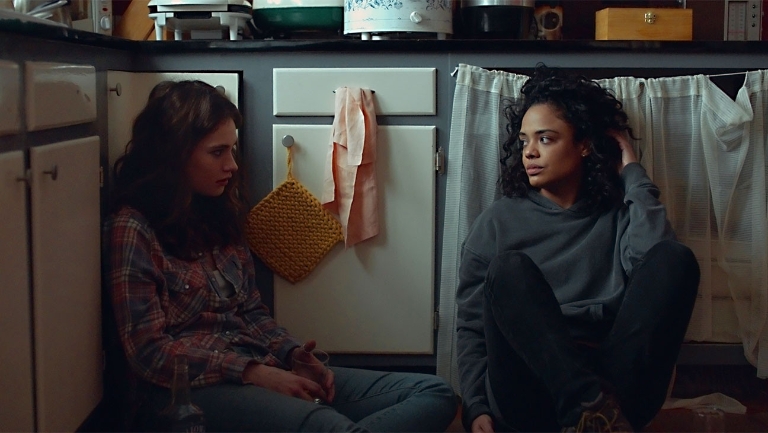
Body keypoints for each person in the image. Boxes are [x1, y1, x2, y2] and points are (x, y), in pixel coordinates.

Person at [105, 80, 457, 432]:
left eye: (233, 150)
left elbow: (252, 313)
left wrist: (293, 356)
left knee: (434, 392)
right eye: (217, 152)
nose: (232, 165)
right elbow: (148, 353)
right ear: (174, 155)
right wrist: (256, 375)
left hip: (260, 364)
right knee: (336, 428)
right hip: (193, 390)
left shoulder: (216, 213)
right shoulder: (134, 227)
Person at [455, 65, 700, 433]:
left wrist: (633, 175)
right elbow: (472, 328)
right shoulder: (497, 223)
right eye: (524, 141)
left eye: (546, 139)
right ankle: (590, 411)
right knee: (509, 270)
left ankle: (595, 413)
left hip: (612, 377)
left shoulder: (618, 215)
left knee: (675, 258)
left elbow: (657, 271)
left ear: (584, 144)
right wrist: (475, 406)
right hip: (530, 386)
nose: (530, 153)